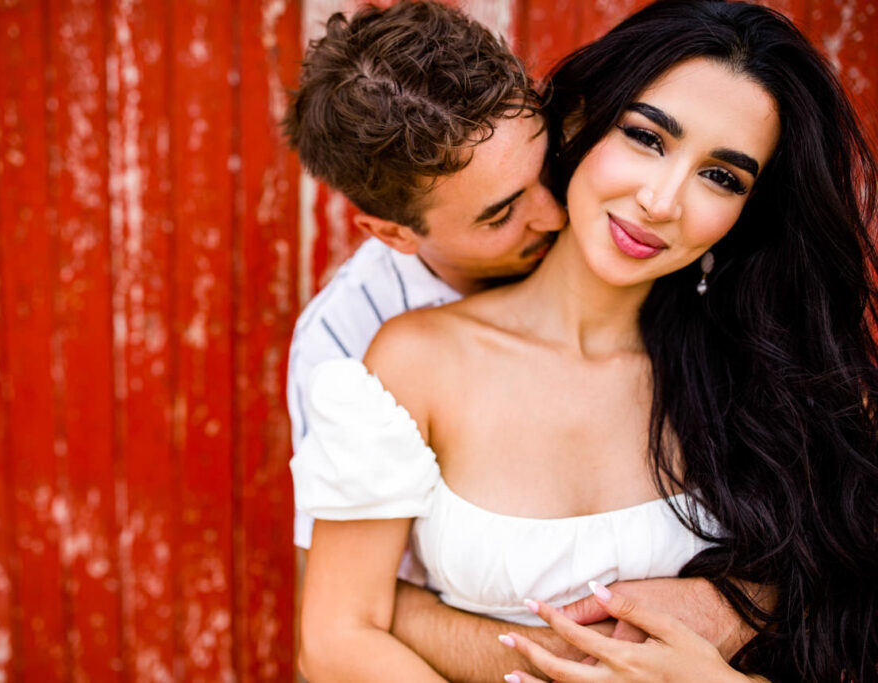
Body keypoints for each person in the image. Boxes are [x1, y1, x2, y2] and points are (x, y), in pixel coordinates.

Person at [290, 0, 878, 681]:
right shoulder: (388, 348)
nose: (661, 200)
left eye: (721, 176)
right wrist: (583, 655)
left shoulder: (781, 375)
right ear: (588, 122)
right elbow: (337, 628)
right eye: (648, 137)